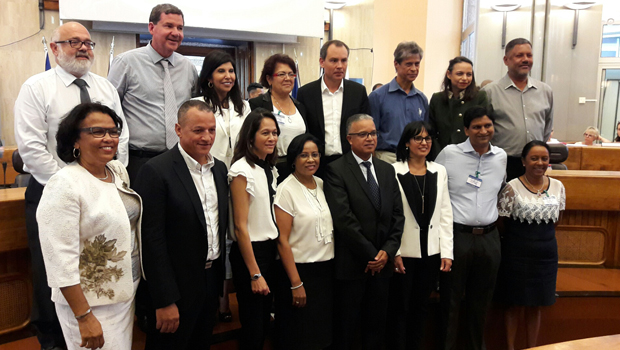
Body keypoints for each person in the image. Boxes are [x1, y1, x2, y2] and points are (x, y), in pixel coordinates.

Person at [13, 22, 128, 350]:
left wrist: (108, 183)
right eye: (73, 42)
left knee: (103, 271)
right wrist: (73, 184)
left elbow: (122, 137)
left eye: (88, 43)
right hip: (52, 192)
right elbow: (32, 148)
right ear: (54, 48)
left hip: (104, 193)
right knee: (55, 273)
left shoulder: (105, 87)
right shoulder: (36, 87)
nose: (83, 48)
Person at [37, 103, 139, 350]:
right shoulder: (64, 185)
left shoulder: (116, 170)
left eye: (113, 132)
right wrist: (83, 316)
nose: (108, 138)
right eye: (97, 131)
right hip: (88, 304)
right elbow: (59, 259)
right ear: (75, 140)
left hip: (123, 292)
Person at [133, 100, 228, 349]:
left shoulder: (219, 169)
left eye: (211, 130)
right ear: (178, 129)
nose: (207, 137)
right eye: (198, 130)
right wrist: (164, 300)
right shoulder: (155, 171)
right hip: (175, 288)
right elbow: (151, 241)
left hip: (209, 282)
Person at [324, 114, 405, 350]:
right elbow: (344, 220)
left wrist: (387, 252)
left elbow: (397, 216)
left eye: (372, 133)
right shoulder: (336, 170)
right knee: (347, 329)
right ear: (349, 139)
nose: (370, 138)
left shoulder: (386, 169)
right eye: (363, 134)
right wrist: (371, 255)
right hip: (353, 264)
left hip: (383, 265)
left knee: (376, 327)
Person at [435, 106, 507, 350]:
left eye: (487, 126)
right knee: (451, 302)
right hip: (457, 236)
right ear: (466, 130)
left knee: (482, 303)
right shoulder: (449, 154)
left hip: (489, 238)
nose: (483, 131)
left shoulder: (501, 157)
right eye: (476, 126)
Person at [108, 3, 198, 182]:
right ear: (151, 27)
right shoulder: (126, 63)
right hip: (139, 159)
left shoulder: (188, 68)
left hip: (179, 158)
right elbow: (108, 110)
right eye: (169, 26)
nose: (176, 33)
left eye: (180, 28)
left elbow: (192, 111)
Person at [386, 121, 453, 350]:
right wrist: (394, 251)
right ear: (407, 142)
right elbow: (390, 217)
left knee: (421, 308)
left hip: (432, 252)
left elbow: (445, 213)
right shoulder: (394, 171)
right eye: (418, 138)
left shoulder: (439, 170)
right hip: (404, 252)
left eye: (427, 138)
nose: (423, 143)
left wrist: (447, 252)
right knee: (400, 308)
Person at [194, 50, 249, 323]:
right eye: (221, 71)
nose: (228, 76)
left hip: (238, 177)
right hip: (209, 174)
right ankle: (219, 300)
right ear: (209, 77)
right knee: (214, 234)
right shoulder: (197, 104)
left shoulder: (244, 106)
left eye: (231, 71)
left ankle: (229, 295)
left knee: (234, 235)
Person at [496, 141, 566, 350]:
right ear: (524, 162)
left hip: (546, 255)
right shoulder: (511, 187)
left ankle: (531, 347)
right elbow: (501, 222)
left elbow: (558, 219)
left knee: (537, 305)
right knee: (514, 304)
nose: (540, 162)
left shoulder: (558, 186)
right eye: (534, 158)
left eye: (544, 158)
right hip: (516, 253)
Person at [273, 133, 335, 350]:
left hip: (324, 272)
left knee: (321, 336)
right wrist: (296, 283)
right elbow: (282, 241)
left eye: (315, 155)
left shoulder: (320, 183)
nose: (311, 160)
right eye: (304, 155)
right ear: (293, 159)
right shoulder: (285, 190)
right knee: (299, 336)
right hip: (299, 272)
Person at [228, 108, 280, 350]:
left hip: (269, 251)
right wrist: (255, 273)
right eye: (265, 133)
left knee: (264, 323)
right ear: (250, 137)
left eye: (275, 133)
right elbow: (240, 227)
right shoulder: (241, 170)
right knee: (253, 325)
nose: (272, 138)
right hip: (251, 254)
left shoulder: (268, 168)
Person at [482, 38, 553, 181]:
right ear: (506, 60)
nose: (525, 59)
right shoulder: (489, 92)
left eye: (529, 55)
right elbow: (482, 130)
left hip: (534, 165)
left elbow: (546, 128)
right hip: (502, 163)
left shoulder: (545, 91)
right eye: (519, 55)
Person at [296, 40, 370, 174]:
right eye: (334, 60)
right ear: (322, 62)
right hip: (317, 163)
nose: (340, 66)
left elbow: (366, 128)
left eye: (344, 60)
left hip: (351, 162)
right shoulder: (306, 93)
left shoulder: (358, 92)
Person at [369, 41, 429, 164]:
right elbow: (371, 132)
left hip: (414, 158)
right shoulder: (378, 96)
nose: (414, 69)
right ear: (396, 64)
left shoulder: (421, 98)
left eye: (417, 64)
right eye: (408, 64)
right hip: (387, 157)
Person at [250, 54, 306, 182]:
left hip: (298, 169)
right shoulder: (257, 104)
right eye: (281, 74)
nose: (287, 78)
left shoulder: (301, 107)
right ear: (269, 79)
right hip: (269, 168)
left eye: (291, 74)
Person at [429, 56, 489, 151]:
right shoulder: (437, 99)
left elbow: (485, 128)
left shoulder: (479, 97)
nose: (465, 78)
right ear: (449, 74)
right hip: (441, 153)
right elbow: (431, 131)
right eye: (460, 74)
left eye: (469, 74)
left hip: (471, 152)